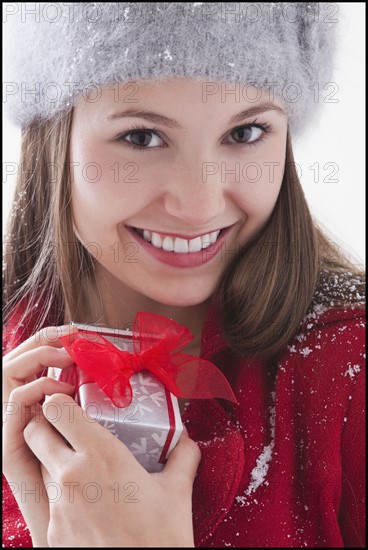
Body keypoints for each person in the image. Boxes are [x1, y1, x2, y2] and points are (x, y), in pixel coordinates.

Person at [2, 2, 365, 548]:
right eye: (143, 137)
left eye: (245, 133)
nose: (197, 204)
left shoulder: (347, 375)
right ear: (57, 140)